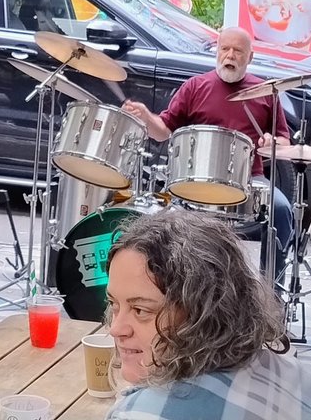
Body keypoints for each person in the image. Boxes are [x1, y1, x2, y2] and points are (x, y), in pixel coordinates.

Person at [105, 210, 311, 420]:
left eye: (141, 311)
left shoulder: (142, 413)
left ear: (204, 312)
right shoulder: (305, 384)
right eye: (113, 304)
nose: (116, 328)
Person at [121, 26, 294, 280]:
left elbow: (284, 141)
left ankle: (273, 290)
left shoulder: (267, 92)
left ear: (250, 57)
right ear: (217, 52)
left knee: (281, 210)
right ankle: (179, 289)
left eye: (238, 51)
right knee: (165, 222)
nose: (230, 56)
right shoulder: (195, 87)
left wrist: (271, 143)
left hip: (249, 180)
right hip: (197, 179)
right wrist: (147, 116)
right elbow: (162, 131)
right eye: (225, 49)